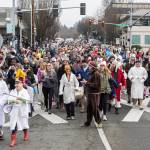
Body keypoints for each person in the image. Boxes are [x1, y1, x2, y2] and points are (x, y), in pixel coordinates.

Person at [7, 78, 30, 147]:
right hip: (14, 111)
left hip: (22, 111)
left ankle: (25, 133)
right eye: (16, 84)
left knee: (24, 124)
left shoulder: (25, 91)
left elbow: (27, 100)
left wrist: (21, 100)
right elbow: (9, 101)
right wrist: (14, 101)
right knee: (14, 125)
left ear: (22, 84)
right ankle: (13, 140)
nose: (17, 85)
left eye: (18, 83)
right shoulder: (12, 92)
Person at [81, 61, 102, 128]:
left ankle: (99, 122)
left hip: (94, 94)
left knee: (95, 109)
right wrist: (86, 83)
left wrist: (86, 83)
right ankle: (88, 123)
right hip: (90, 93)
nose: (88, 67)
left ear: (93, 67)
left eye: (90, 66)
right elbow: (91, 83)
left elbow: (96, 85)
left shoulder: (96, 74)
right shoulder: (91, 73)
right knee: (89, 109)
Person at [0, 73, 9, 140]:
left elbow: (6, 94)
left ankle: (0, 132)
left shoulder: (3, 83)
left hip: (0, 103)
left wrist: (1, 102)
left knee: (0, 117)